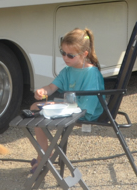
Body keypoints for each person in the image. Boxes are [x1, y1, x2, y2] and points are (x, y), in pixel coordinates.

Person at [28, 28, 104, 172]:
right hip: (72, 107)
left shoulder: (91, 73)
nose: (65, 58)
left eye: (70, 55)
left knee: (39, 111)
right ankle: (44, 154)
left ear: (84, 54)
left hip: (85, 112)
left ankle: (43, 156)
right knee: (35, 107)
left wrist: (59, 104)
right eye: (63, 53)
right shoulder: (68, 70)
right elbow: (52, 87)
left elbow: (87, 105)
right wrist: (43, 91)